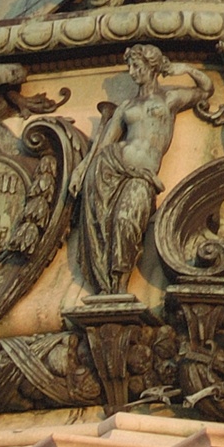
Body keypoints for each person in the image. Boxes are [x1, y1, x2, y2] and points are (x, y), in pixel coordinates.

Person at [76, 45, 211, 296]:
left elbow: (205, 90)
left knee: (126, 220)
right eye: (130, 66)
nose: (132, 72)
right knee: (102, 224)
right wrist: (82, 168)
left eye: (137, 66)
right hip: (110, 166)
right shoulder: (126, 106)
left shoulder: (169, 99)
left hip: (143, 174)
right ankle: (108, 287)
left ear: (152, 67)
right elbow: (104, 144)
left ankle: (119, 283)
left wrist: (185, 69)